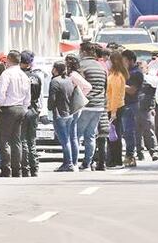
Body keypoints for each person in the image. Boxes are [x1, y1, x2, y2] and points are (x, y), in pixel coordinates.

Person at [0, 51, 30, 178]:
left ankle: (5, 169)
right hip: (20, 108)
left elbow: (1, 92)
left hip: (7, 108)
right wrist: (24, 108)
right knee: (16, 140)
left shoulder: (6, 73)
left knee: (3, 140)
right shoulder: (24, 75)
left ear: (8, 60)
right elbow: (27, 95)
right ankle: (16, 170)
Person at [75, 42, 108, 170]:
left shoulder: (81, 66)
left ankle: (73, 161)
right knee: (90, 135)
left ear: (83, 52)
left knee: (76, 135)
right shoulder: (101, 67)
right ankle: (87, 163)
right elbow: (105, 88)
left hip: (85, 105)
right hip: (98, 106)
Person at [48, 60, 78, 172]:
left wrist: (50, 108)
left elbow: (52, 99)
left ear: (55, 69)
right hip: (69, 112)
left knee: (64, 140)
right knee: (68, 138)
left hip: (59, 113)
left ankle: (69, 163)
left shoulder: (55, 81)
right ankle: (67, 162)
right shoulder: (69, 80)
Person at [19, 51, 44, 177]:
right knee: (32, 140)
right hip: (33, 109)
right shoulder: (36, 77)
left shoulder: (19, 76)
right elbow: (39, 95)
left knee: (22, 139)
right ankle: (35, 167)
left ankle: (25, 167)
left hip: (23, 108)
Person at [120, 49, 143, 167]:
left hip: (131, 105)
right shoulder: (125, 72)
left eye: (123, 60)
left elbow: (132, 90)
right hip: (121, 104)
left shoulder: (136, 73)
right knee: (123, 132)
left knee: (129, 131)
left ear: (131, 60)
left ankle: (130, 155)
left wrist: (119, 84)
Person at [105, 50, 127, 168]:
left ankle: (116, 160)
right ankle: (112, 159)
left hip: (116, 108)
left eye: (109, 60)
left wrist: (113, 112)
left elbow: (116, 96)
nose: (107, 62)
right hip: (111, 108)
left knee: (115, 135)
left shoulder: (117, 76)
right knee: (112, 135)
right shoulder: (112, 75)